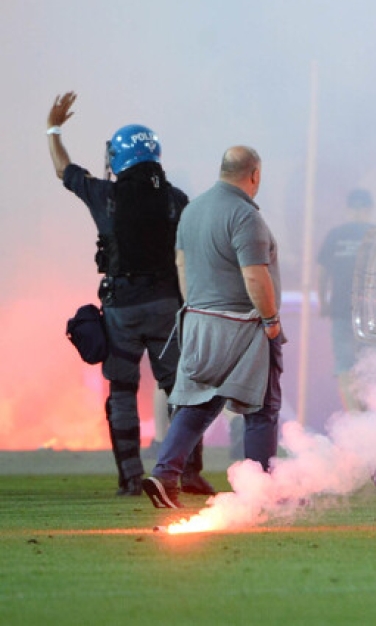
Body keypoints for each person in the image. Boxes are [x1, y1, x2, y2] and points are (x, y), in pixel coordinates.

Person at [46, 92, 213, 498]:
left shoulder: (106, 196)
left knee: (122, 392)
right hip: (167, 308)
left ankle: (131, 479)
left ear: (118, 158)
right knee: (182, 392)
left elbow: (63, 170)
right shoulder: (176, 200)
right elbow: (188, 257)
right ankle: (184, 472)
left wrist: (53, 129)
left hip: (121, 308)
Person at [143, 146, 284, 509]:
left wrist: (199, 309)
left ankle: (165, 475)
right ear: (254, 175)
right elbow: (254, 275)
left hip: (198, 322)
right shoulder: (244, 216)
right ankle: (260, 492)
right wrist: (270, 321)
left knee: (197, 405)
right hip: (243, 327)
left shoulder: (192, 210)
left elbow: (181, 264)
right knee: (261, 409)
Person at [317, 188, 374, 411]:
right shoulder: (375, 233)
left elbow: (322, 273)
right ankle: (363, 417)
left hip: (346, 309)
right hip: (366, 312)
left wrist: (323, 302)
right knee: (366, 365)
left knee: (348, 365)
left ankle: (356, 418)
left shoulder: (336, 235)